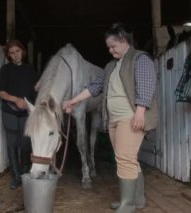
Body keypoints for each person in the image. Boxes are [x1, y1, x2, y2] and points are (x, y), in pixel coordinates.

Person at [63, 23, 158, 212]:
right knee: (128, 158)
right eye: (108, 47)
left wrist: (140, 111)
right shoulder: (110, 66)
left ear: (124, 41)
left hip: (130, 117)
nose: (110, 50)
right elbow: (95, 87)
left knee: (124, 159)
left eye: (113, 46)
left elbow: (147, 85)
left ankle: (127, 204)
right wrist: (74, 100)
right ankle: (136, 200)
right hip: (114, 119)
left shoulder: (140, 59)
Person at [0, 40, 37, 189]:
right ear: (8, 55)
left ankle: (25, 172)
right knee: (12, 143)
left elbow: (35, 92)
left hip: (26, 111)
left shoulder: (30, 71)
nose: (15, 55)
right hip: (10, 110)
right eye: (12, 53)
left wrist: (28, 103)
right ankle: (16, 176)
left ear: (22, 51)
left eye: (17, 51)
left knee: (26, 142)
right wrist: (16, 99)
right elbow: (1, 92)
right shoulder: (5, 70)